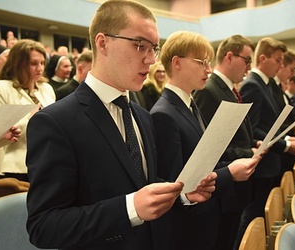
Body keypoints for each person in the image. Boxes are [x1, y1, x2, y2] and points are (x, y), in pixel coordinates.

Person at [26, 1, 216, 249]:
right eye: (140, 46)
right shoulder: (55, 122)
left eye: (154, 49)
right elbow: (44, 226)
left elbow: (141, 183)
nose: (151, 60)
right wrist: (129, 208)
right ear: (103, 43)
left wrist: (180, 194)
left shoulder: (141, 115)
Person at [150, 31, 260, 250]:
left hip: (205, 215)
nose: (208, 70)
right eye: (202, 62)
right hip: (189, 226)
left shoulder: (189, 104)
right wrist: (230, 174)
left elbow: (203, 161)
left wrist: (231, 165)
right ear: (177, 62)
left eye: (209, 63)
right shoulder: (164, 113)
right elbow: (177, 183)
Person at [193, 34, 262, 250]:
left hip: (235, 186)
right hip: (223, 189)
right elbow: (210, 146)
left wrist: (252, 146)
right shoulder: (209, 90)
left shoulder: (229, 89)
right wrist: (246, 152)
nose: (249, 68)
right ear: (230, 57)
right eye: (247, 60)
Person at [238, 37, 295, 238]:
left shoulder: (265, 84)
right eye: (278, 60)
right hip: (261, 162)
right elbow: (251, 128)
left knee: (261, 215)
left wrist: (289, 137)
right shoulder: (253, 85)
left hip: (269, 160)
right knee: (253, 219)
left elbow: (272, 124)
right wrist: (285, 144)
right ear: (263, 59)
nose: (280, 66)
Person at [0, 39, 55, 182]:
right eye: (34, 63)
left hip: (45, 165)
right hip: (12, 168)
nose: (40, 68)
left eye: (42, 63)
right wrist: (32, 120)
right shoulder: (1, 87)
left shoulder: (47, 89)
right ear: (18, 64)